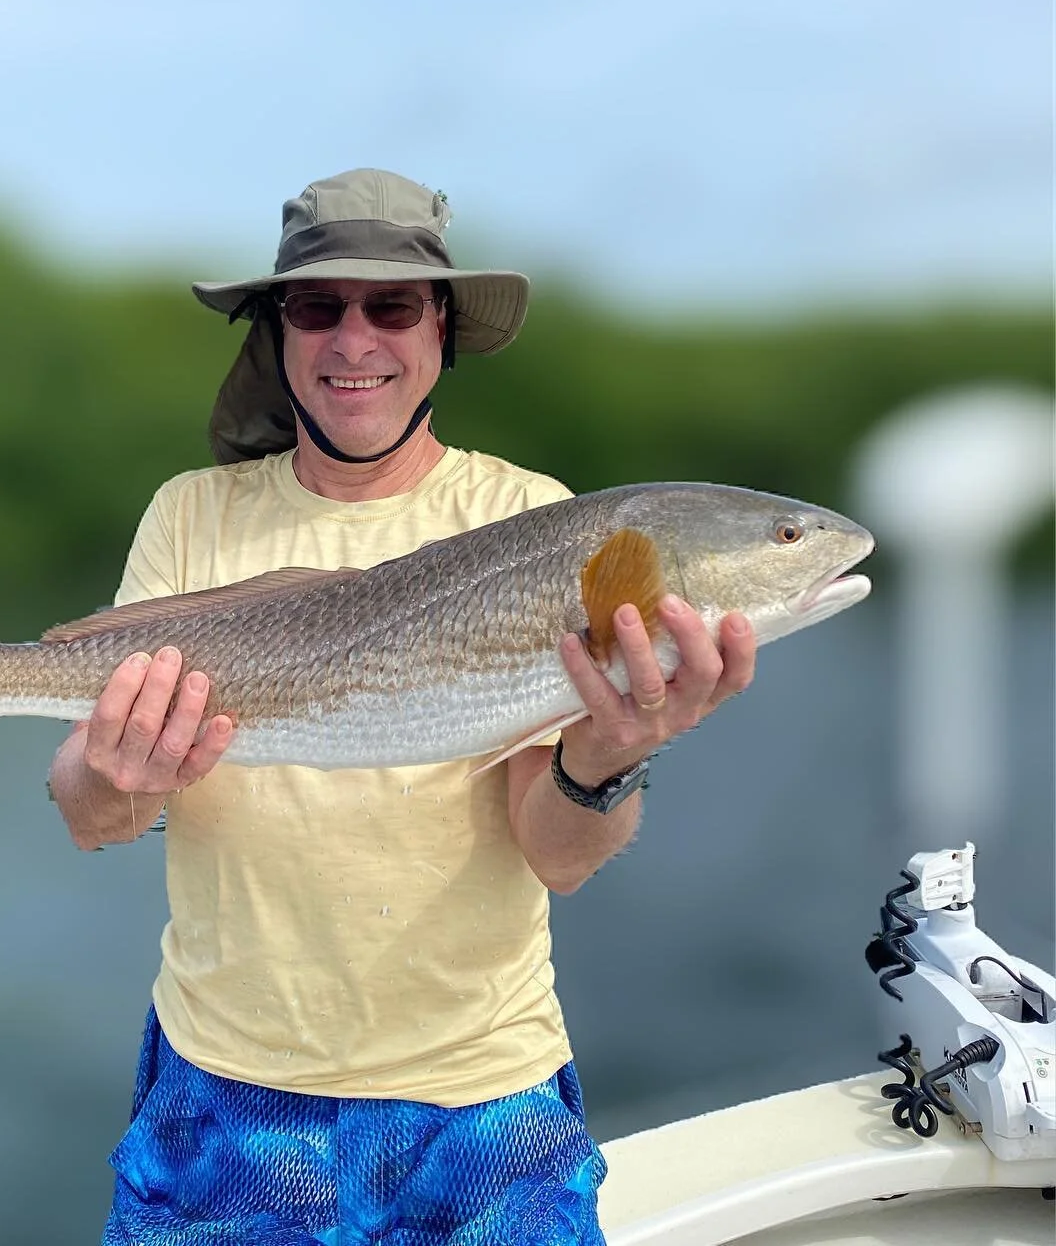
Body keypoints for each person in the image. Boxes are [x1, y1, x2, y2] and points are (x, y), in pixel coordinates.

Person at [48, 169, 756, 1244]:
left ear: (442, 332)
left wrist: (610, 752)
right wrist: (114, 772)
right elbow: (93, 816)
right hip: (224, 1089)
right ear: (276, 329)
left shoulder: (533, 520)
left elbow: (557, 853)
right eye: (317, 305)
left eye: (392, 305)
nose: (353, 339)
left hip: (482, 1098)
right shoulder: (190, 516)